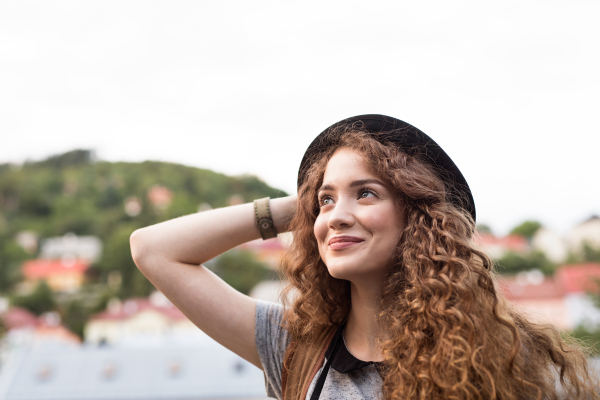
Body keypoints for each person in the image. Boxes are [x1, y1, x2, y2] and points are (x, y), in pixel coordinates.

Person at [130, 115, 599, 400]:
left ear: (418, 218)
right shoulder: (294, 349)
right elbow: (153, 249)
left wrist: (337, 202)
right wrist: (305, 205)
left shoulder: (506, 357)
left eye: (367, 193)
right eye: (327, 200)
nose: (335, 217)